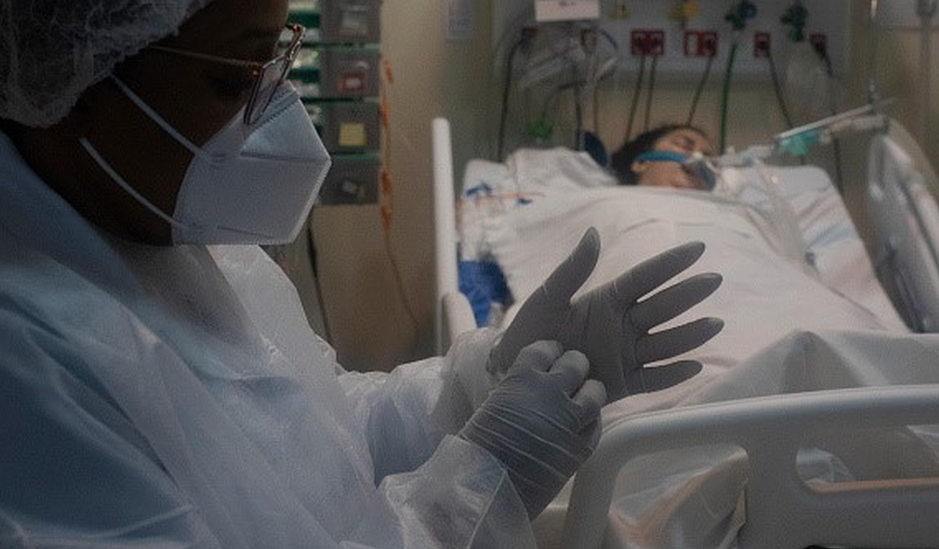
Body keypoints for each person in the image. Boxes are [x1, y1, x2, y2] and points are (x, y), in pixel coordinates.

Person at [0, 1, 724, 547]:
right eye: (234, 79)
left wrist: (482, 379)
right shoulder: (25, 360)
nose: (279, 113)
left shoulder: (172, 232)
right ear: (77, 79)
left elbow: (325, 433)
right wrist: (479, 485)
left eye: (279, 60)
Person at [610, 124, 716, 189]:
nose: (698, 159)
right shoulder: (605, 206)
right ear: (641, 163)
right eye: (682, 145)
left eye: (707, 159)